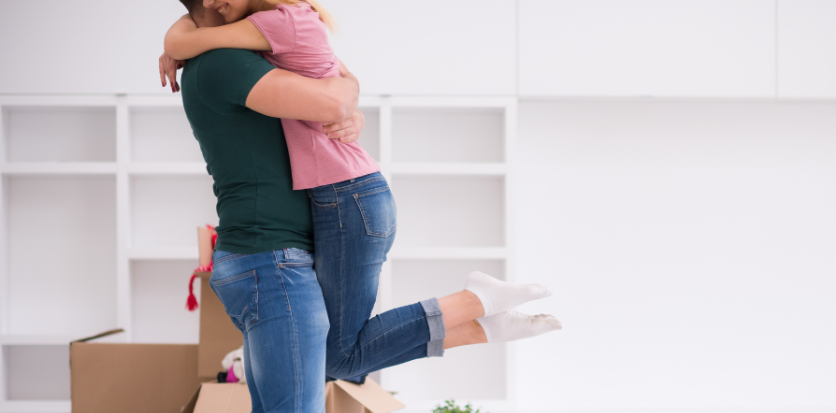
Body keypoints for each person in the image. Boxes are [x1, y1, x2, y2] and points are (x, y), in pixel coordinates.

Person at [163, 1, 561, 413]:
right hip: (272, 262)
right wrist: (340, 99)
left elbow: (339, 87)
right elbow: (333, 102)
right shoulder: (223, 63)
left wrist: (339, 95)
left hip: (262, 258)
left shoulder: (221, 55)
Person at [162, 0, 562, 384]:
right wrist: (352, 108)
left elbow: (191, 39)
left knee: (337, 358)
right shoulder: (278, 29)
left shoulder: (280, 22)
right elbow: (338, 78)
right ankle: (479, 326)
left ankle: (476, 303)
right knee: (338, 356)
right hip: (350, 195)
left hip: (347, 198)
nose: (216, 5)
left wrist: (173, 49)